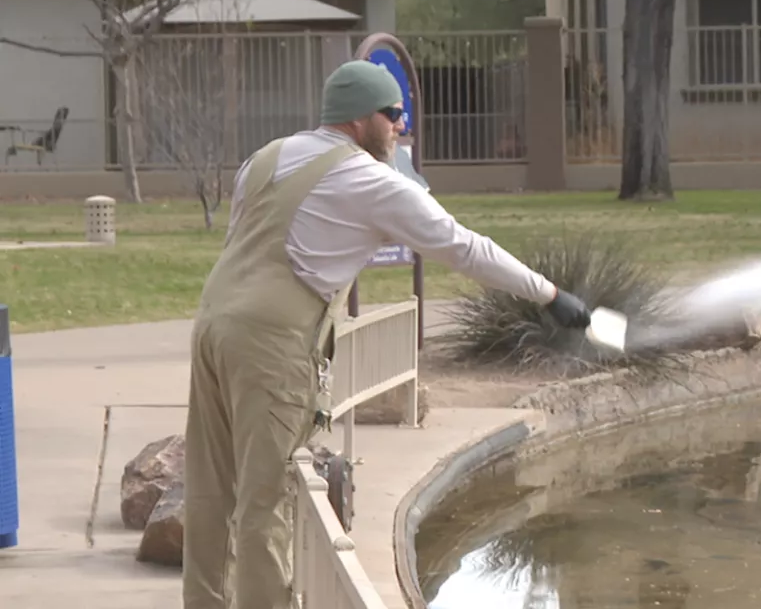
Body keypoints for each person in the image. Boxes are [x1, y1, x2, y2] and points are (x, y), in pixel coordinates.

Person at [181, 60, 592, 609]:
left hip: (212, 323)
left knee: (209, 489)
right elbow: (462, 246)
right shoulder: (368, 180)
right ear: (360, 119)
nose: (402, 125)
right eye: (394, 114)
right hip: (271, 342)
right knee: (265, 500)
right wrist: (548, 294)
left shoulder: (268, 156)